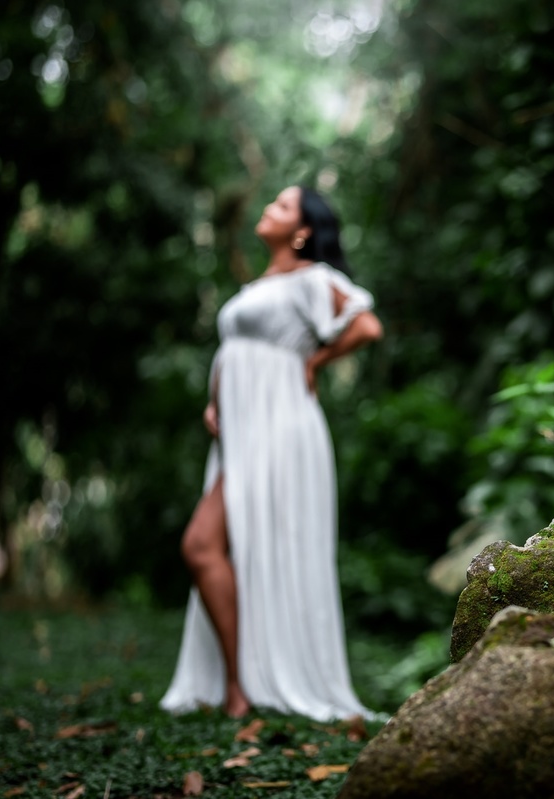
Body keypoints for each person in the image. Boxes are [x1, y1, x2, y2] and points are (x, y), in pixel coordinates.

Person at [159, 185, 383, 720]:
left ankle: (241, 688)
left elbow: (367, 325)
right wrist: (218, 402)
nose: (268, 209)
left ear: (302, 232)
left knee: (201, 544)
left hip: (281, 428)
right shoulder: (262, 284)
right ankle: (239, 682)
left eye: (282, 207)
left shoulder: (312, 279)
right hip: (243, 430)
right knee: (214, 545)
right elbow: (235, 352)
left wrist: (315, 363)